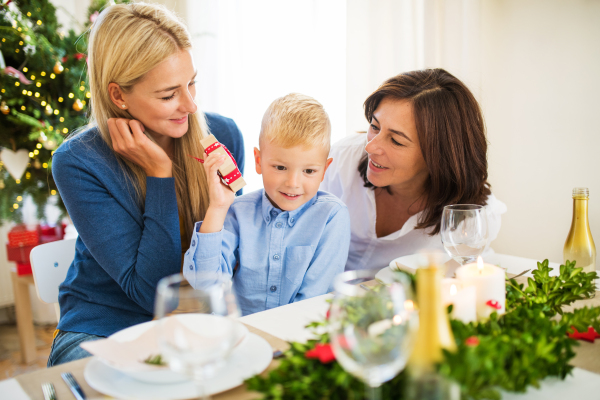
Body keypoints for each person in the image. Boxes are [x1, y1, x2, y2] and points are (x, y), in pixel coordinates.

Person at [48, 3, 244, 366]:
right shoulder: (78, 162)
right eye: (168, 94)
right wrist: (160, 173)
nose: (190, 104)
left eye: (192, 83)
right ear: (118, 96)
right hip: (103, 331)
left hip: (199, 325)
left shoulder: (225, 136)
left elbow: (229, 258)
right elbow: (150, 292)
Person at [321, 69, 507, 271]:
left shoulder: (473, 216)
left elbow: (468, 276)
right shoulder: (337, 160)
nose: (371, 147)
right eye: (375, 126)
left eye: (396, 141)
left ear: (438, 157)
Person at [183, 93, 350, 316]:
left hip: (298, 336)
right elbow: (205, 286)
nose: (293, 183)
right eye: (280, 167)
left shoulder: (332, 216)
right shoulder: (237, 212)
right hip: (242, 335)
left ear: (324, 170)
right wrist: (218, 207)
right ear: (259, 161)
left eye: (309, 171)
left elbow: (314, 301)